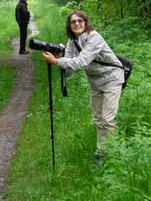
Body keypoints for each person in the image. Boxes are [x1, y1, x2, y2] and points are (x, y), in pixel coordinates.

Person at [42, 10, 123, 163]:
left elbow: (81, 62)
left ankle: (113, 154)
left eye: (80, 20)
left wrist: (57, 62)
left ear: (85, 23)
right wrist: (59, 61)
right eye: (73, 22)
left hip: (112, 78)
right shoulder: (72, 41)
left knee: (107, 119)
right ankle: (102, 152)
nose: (77, 24)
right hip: (95, 82)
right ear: (69, 25)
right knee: (98, 118)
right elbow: (70, 68)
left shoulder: (94, 38)